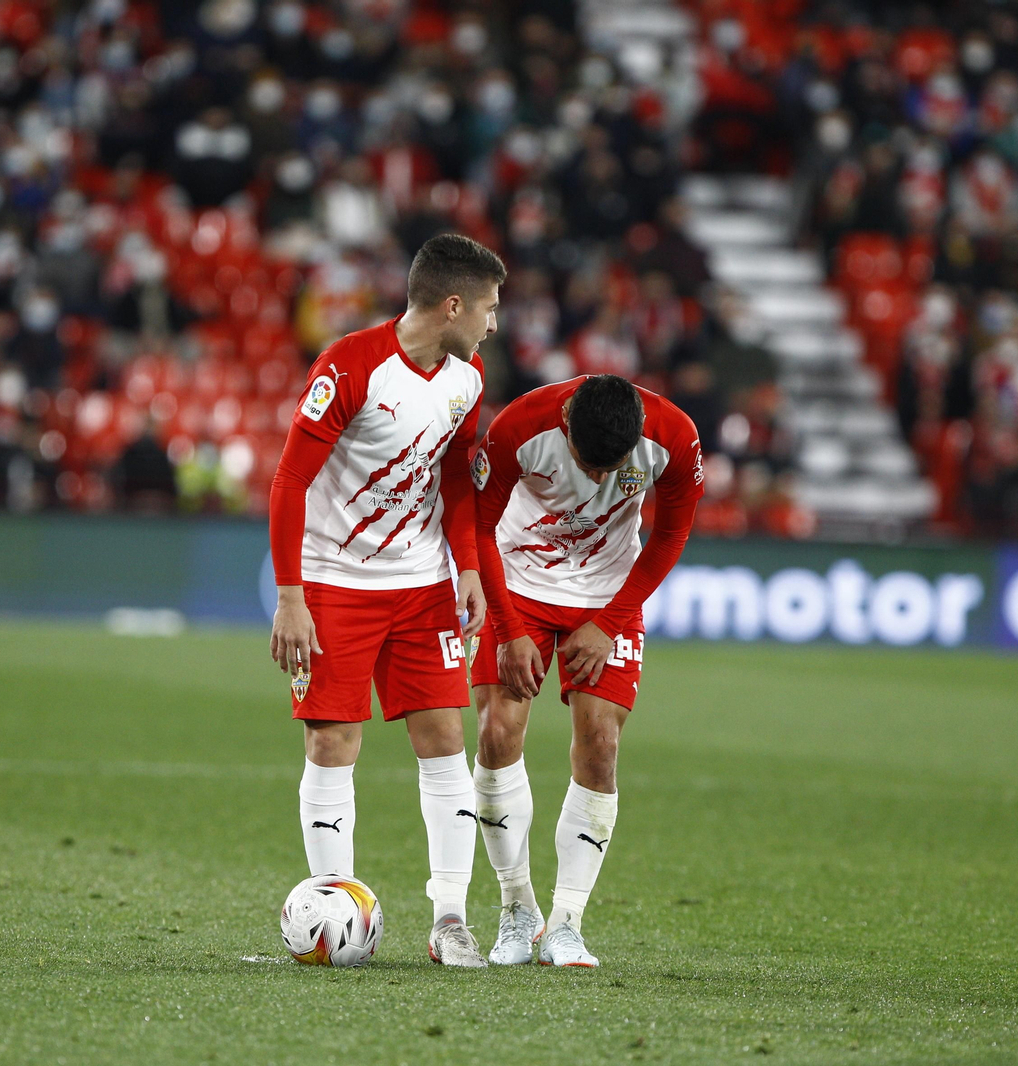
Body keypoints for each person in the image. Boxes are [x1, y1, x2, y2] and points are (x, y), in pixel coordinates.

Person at [267, 234, 506, 967]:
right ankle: (330, 910)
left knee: (444, 742)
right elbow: (289, 482)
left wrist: (466, 567)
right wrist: (290, 596)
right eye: (491, 307)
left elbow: (459, 481)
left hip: (424, 585)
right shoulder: (350, 365)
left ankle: (451, 920)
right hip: (336, 585)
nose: (495, 323)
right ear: (453, 304)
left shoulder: (468, 377)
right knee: (332, 743)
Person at [469, 373, 703, 967]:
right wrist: (509, 627)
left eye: (611, 468)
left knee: (600, 742)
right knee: (498, 733)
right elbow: (477, 529)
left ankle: (567, 923)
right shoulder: (518, 428)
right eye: (586, 464)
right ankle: (517, 910)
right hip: (519, 585)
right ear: (566, 420)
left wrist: (614, 619)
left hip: (608, 596)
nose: (599, 479)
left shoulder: (675, 435)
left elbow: (673, 530)